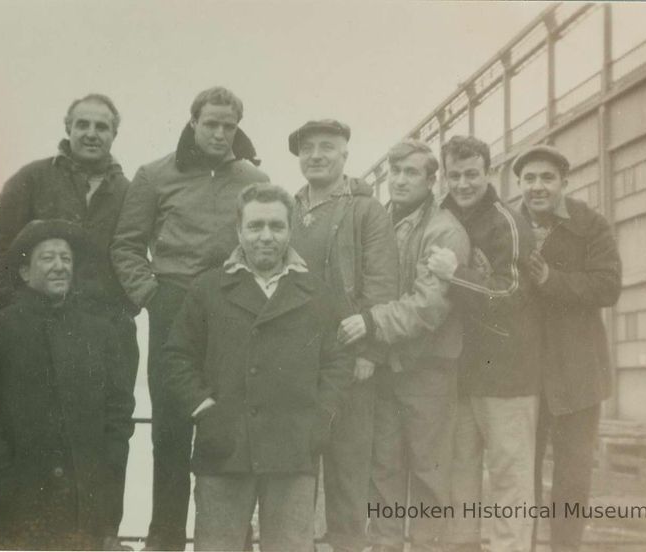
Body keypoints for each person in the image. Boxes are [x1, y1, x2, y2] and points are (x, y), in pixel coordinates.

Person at [0, 93, 137, 546]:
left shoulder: (129, 190)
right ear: (67, 127)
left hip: (107, 339)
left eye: (101, 127)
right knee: (33, 437)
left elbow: (146, 251)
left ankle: (102, 537)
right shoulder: (33, 178)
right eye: (82, 124)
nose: (91, 133)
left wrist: (131, 305)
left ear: (114, 134)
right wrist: (14, 313)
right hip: (37, 334)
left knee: (110, 437)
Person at [110, 86, 269, 550]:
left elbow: (266, 241)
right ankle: (165, 539)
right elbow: (126, 245)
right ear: (193, 122)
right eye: (211, 124)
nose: (220, 133)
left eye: (229, 126)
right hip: (173, 305)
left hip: (231, 309)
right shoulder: (155, 174)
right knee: (171, 431)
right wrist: (151, 296)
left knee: (228, 425)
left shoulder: (253, 180)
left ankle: (226, 539)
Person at [160, 183, 351, 551]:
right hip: (224, 444)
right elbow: (176, 356)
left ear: (290, 230)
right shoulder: (208, 288)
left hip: (294, 446)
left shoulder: (316, 292)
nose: (266, 236)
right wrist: (204, 410)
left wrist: (322, 415)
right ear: (239, 231)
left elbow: (338, 361)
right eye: (256, 226)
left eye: (277, 227)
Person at [0, 220, 135, 550]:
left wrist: (107, 475)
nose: (60, 267)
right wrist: (1, 477)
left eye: (66, 258)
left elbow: (118, 412)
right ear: (24, 271)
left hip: (86, 506)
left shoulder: (101, 333)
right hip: (17, 506)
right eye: (48, 258)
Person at [339, 139, 470, 552]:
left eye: (411, 172)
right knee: (384, 472)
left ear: (432, 180)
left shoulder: (444, 229)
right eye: (394, 171)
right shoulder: (381, 221)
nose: (398, 180)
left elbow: (428, 306)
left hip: (427, 370)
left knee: (430, 475)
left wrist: (372, 323)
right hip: (387, 367)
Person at [288, 119, 399, 552]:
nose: (316, 155)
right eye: (308, 148)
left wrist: (369, 349)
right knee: (296, 472)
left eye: (327, 147)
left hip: (349, 357)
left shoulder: (365, 210)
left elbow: (382, 282)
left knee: (348, 471)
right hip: (297, 361)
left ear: (344, 154)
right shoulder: (290, 209)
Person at [426, 136, 541, 552]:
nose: (463, 183)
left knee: (510, 480)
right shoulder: (440, 217)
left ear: (488, 172)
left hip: (508, 375)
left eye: (471, 173)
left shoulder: (506, 222)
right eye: (454, 175)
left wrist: (455, 274)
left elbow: (512, 294)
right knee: (459, 480)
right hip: (459, 374)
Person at [512, 145, 622, 552]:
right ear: (518, 183)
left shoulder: (590, 224)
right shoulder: (506, 223)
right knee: (522, 475)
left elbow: (608, 286)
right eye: (529, 179)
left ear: (563, 182)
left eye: (547, 178)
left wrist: (550, 280)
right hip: (523, 372)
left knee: (572, 477)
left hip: (578, 373)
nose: (537, 187)